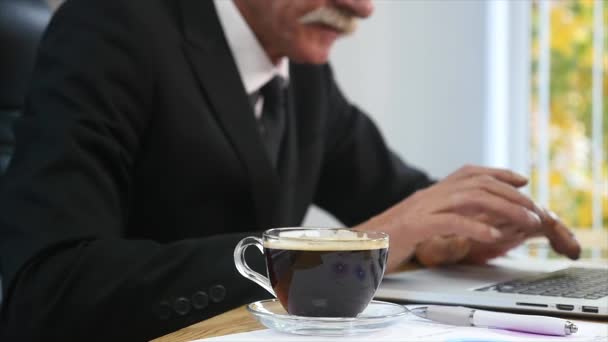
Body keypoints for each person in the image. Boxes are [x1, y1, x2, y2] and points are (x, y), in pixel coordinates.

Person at [0, 0, 580, 340]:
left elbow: (402, 202)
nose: (363, 7)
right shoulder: (112, 26)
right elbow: (48, 290)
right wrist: (348, 247)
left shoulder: (301, 71)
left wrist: (462, 232)